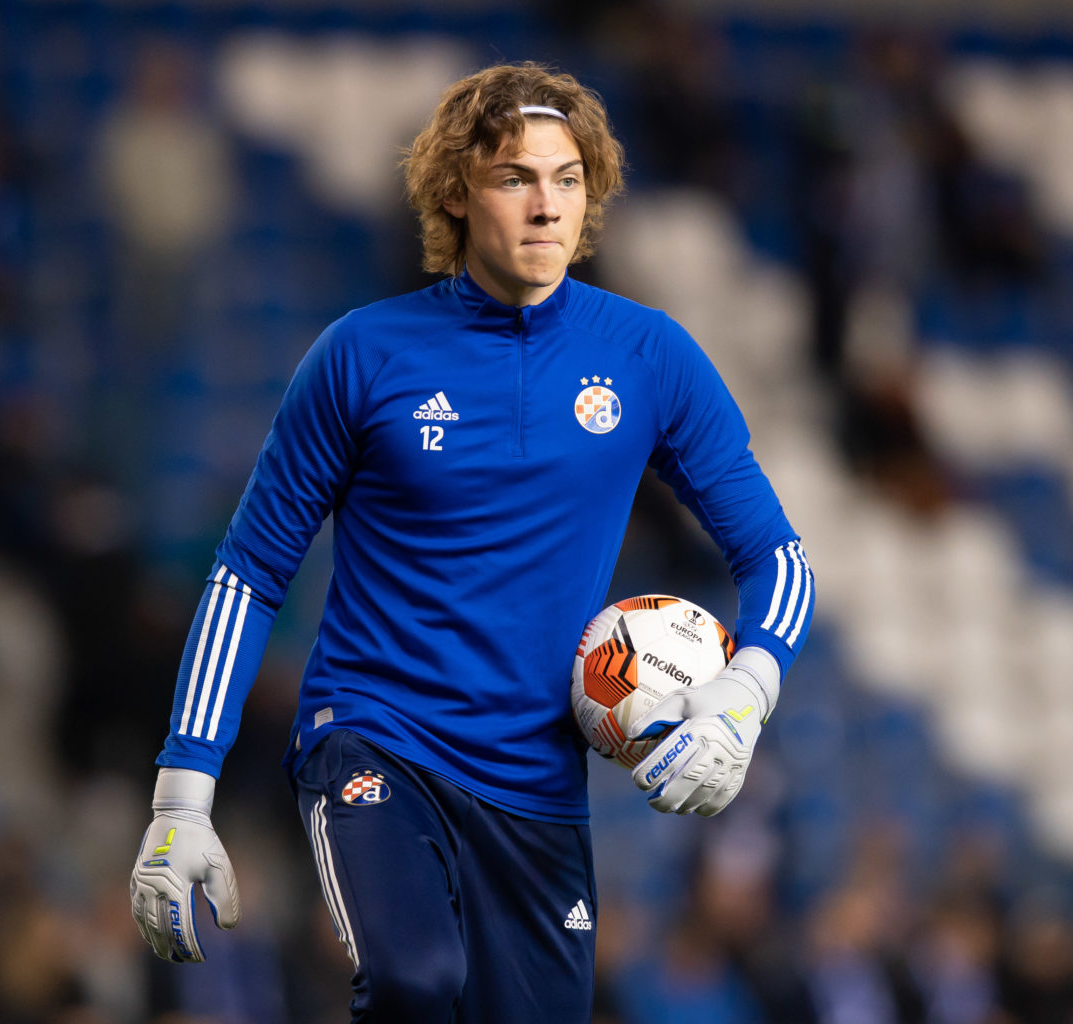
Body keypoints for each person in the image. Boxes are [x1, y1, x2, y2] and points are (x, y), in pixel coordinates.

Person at [128, 61, 815, 1022]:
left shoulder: (649, 356)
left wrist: (744, 695)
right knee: (415, 979)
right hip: (378, 739)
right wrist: (181, 795)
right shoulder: (361, 356)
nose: (546, 206)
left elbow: (777, 561)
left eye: (567, 180)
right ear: (455, 192)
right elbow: (248, 575)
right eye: (515, 178)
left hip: (538, 790)